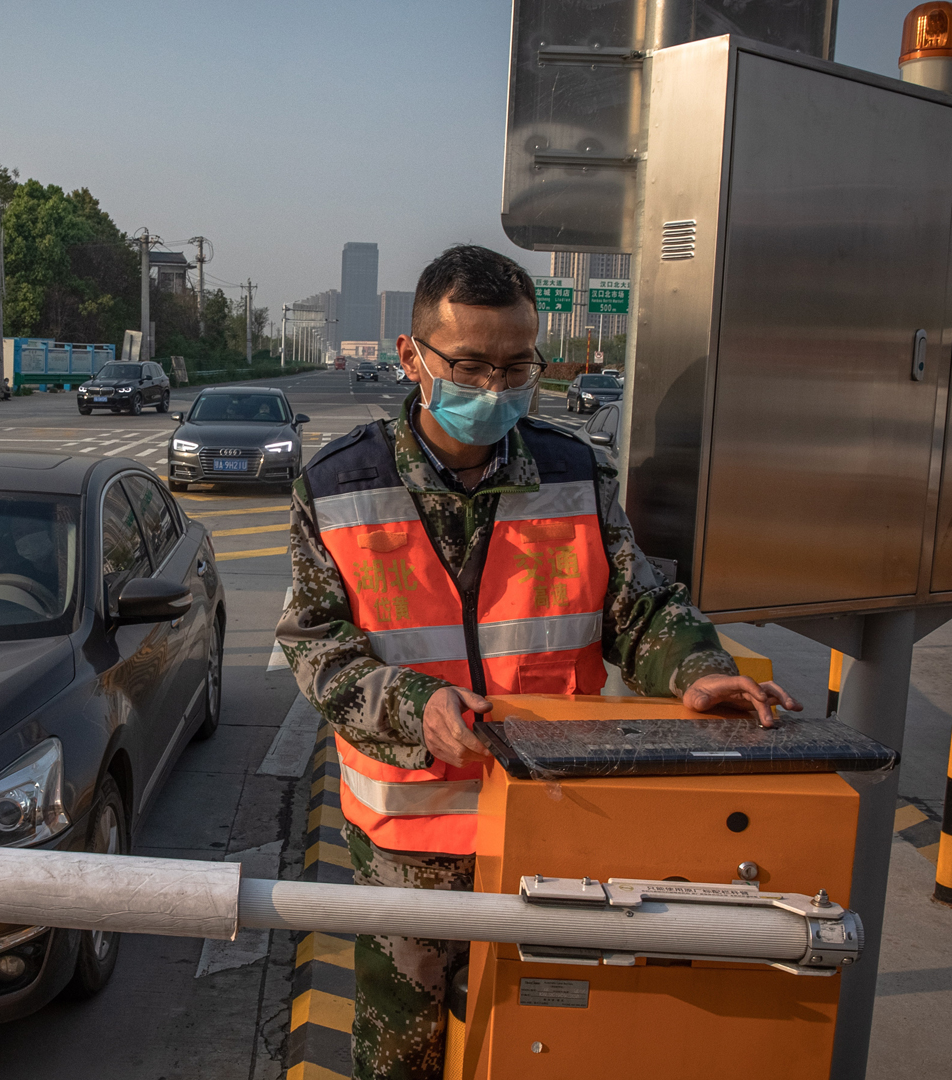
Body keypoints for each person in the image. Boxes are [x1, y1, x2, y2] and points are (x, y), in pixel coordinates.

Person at [277, 245, 801, 1080]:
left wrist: (695, 666)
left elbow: (639, 608)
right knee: (404, 1050)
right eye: (471, 364)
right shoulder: (339, 486)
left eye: (517, 365)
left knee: (543, 1036)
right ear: (412, 358)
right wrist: (419, 706)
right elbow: (317, 648)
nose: (494, 389)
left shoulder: (575, 472)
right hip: (409, 841)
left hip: (555, 820)